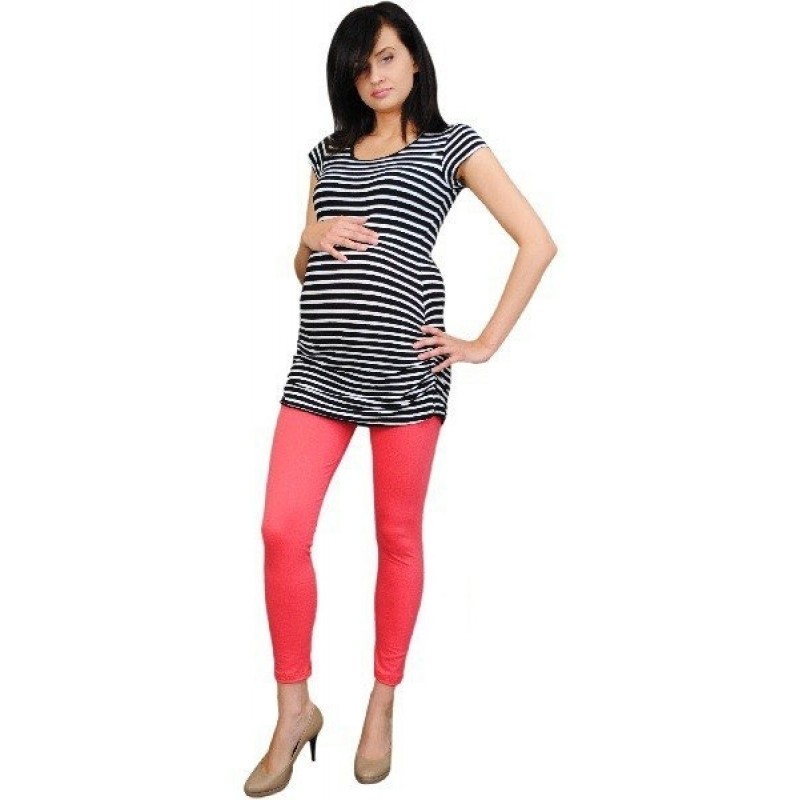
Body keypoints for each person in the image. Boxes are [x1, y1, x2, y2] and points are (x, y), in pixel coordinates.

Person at [244, 2, 557, 795]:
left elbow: (537, 241)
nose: (374, 75)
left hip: (406, 375)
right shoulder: (328, 153)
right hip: (318, 370)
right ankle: (294, 711)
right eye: (360, 65)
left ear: (415, 59)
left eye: (386, 57)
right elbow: (305, 265)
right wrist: (308, 238)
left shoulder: (453, 146)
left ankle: (382, 701)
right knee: (282, 530)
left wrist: (483, 342)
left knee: (397, 537)